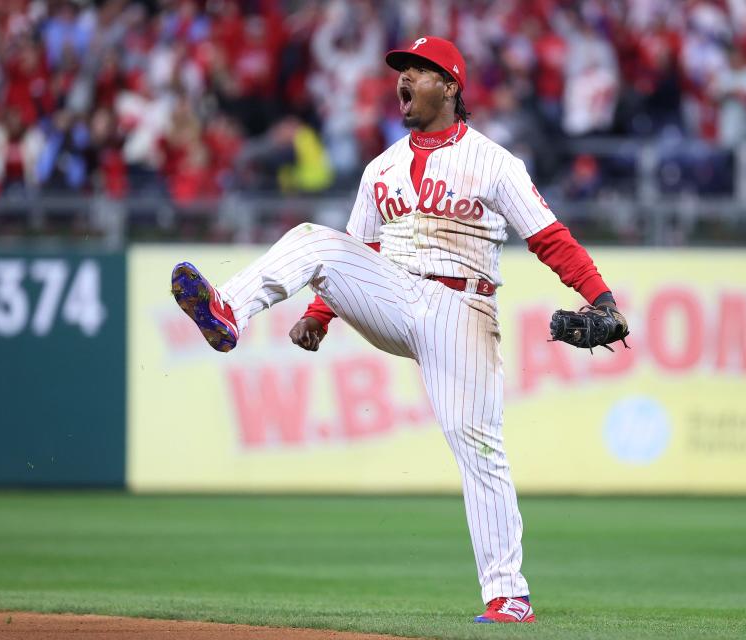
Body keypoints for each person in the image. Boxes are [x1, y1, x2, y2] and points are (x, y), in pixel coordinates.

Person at [171, 36, 624, 624]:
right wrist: (318, 315)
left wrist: (602, 298)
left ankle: (508, 596)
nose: (404, 79)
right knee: (314, 238)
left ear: (452, 86)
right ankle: (227, 312)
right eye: (401, 70)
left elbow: (550, 239)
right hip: (393, 292)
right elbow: (355, 251)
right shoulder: (380, 167)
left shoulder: (494, 161)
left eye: (419, 70)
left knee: (481, 451)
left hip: (463, 311)